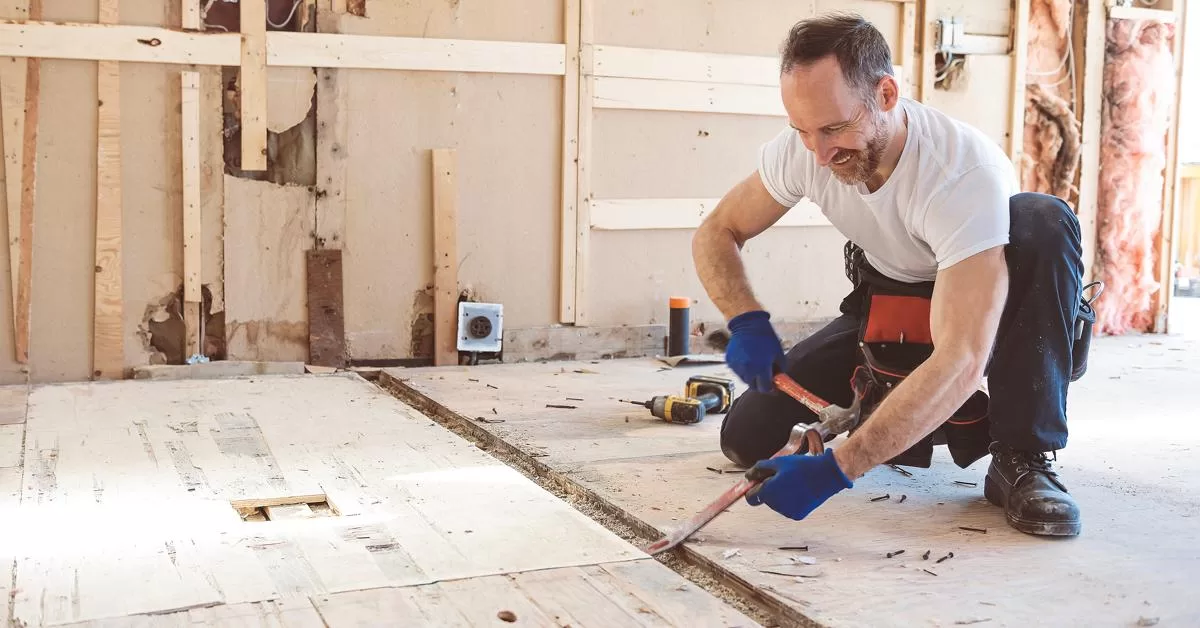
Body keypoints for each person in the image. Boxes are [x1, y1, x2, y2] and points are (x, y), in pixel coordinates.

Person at [691, 12, 1094, 537]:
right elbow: (716, 231)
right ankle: (886, 412)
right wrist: (745, 319)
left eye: (835, 128)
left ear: (886, 94)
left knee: (1042, 219)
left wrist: (841, 467)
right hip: (888, 306)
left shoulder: (960, 172)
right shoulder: (808, 149)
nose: (820, 153)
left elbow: (962, 356)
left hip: (980, 313)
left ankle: (1024, 455)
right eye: (803, 131)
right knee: (746, 438)